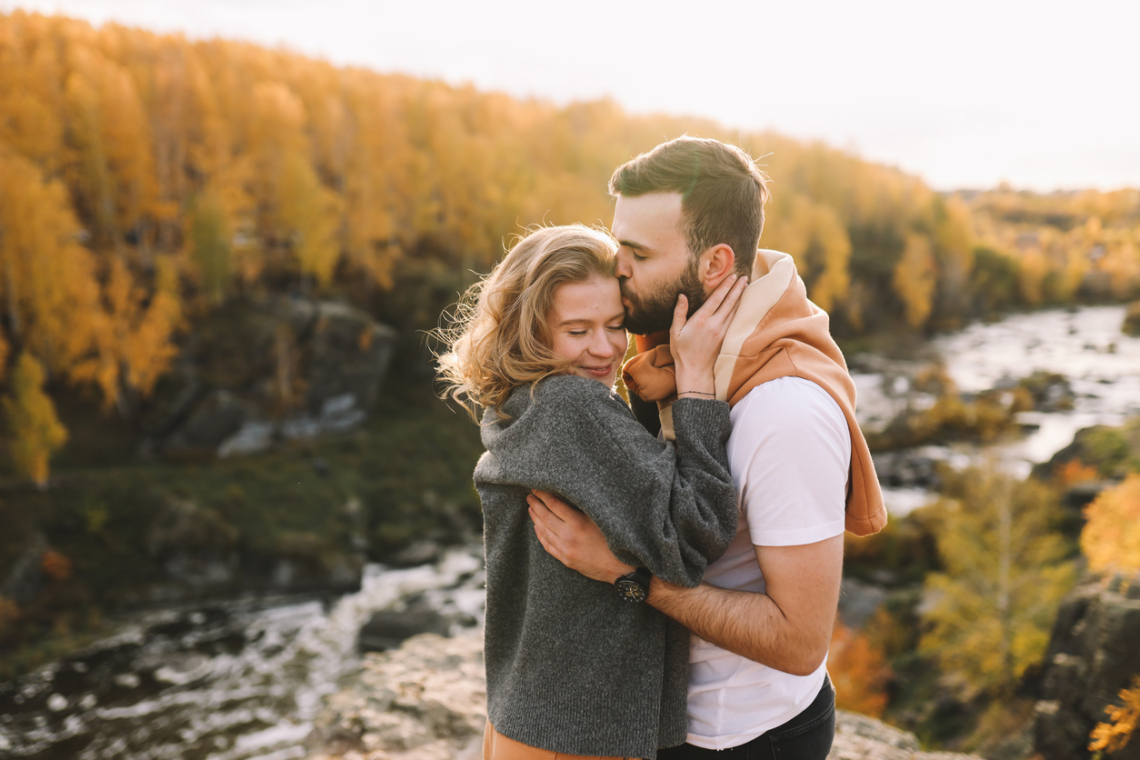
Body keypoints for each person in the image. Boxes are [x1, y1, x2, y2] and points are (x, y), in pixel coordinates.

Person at [528, 137, 887, 760]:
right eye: (620, 248)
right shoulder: (674, 354)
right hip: (655, 715)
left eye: (638, 254)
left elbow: (799, 641)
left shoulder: (785, 412)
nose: (618, 269)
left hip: (734, 735)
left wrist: (626, 574)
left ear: (715, 264)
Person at [435, 224, 750, 760]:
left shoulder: (521, 403)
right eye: (577, 331)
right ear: (529, 331)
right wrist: (695, 382)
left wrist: (651, 401)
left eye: (616, 325)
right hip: (580, 733)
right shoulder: (573, 409)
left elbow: (633, 491)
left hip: (528, 717)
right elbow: (698, 532)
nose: (604, 349)